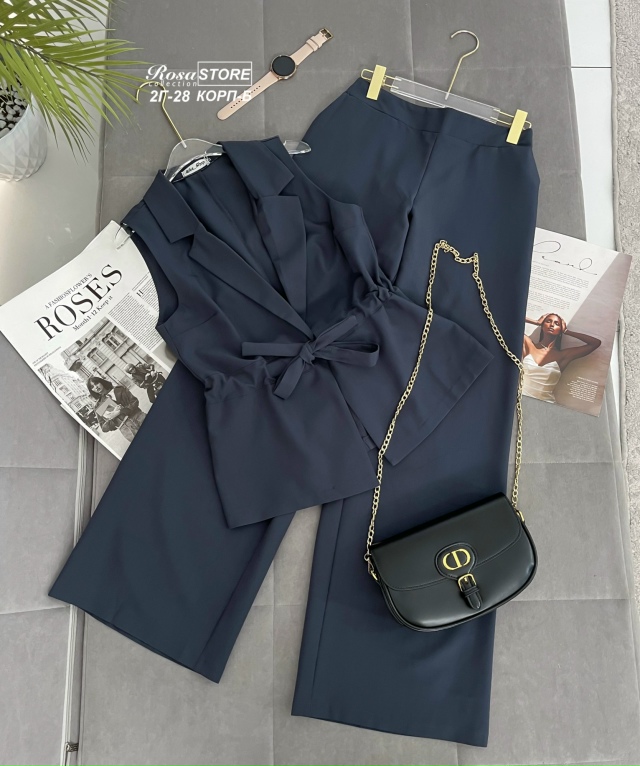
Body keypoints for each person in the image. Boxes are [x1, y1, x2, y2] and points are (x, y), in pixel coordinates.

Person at [522, 313, 601, 402]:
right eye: (548, 321)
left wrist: (567, 331)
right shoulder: (529, 345)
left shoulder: (563, 355)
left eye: (557, 324)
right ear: (542, 325)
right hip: (520, 399)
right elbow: (509, 319)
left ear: (560, 330)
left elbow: (595, 343)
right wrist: (535, 322)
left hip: (545, 404)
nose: (552, 325)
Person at [86, 375, 146, 440]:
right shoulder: (99, 405)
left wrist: (121, 411)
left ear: (101, 382)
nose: (96, 387)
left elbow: (134, 401)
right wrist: (112, 418)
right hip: (128, 431)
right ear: (92, 390)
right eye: (92, 387)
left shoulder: (119, 389)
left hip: (139, 418)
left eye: (96, 383)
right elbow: (103, 427)